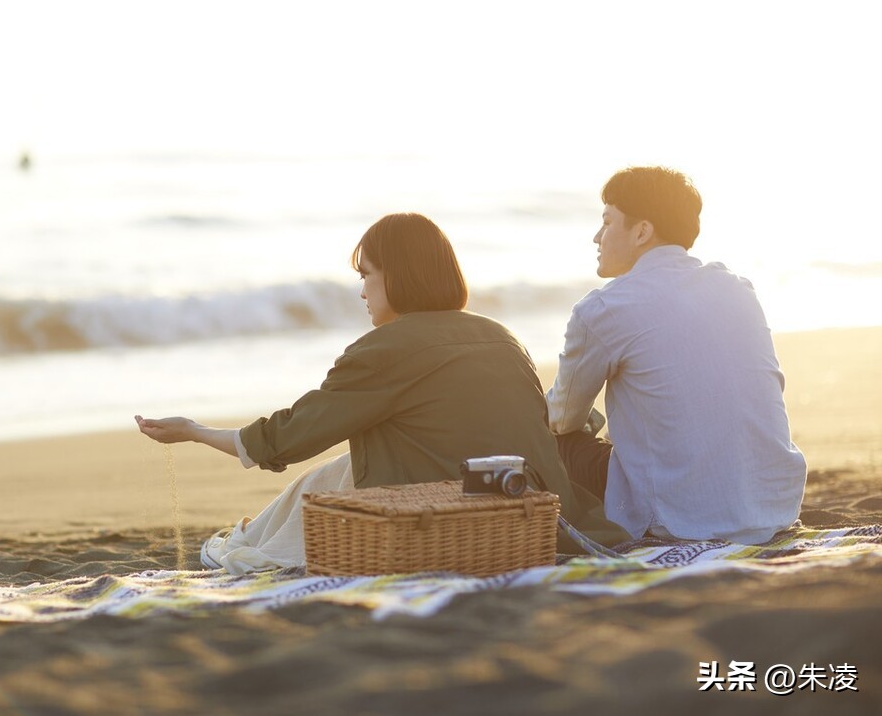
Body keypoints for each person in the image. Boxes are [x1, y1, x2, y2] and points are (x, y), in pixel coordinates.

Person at [138, 212, 624, 571]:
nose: (362, 290)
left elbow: (287, 438)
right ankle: (249, 535)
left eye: (367, 274)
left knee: (307, 497)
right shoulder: (501, 335)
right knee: (339, 470)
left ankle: (245, 542)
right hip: (532, 512)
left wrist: (195, 431)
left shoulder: (382, 349)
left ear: (399, 275)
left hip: (438, 517)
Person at [546, 166, 807, 545]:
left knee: (555, 441)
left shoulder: (604, 309)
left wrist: (583, 419)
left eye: (607, 222)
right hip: (776, 507)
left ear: (641, 231)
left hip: (681, 520)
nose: (597, 237)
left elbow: (561, 419)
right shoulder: (737, 289)